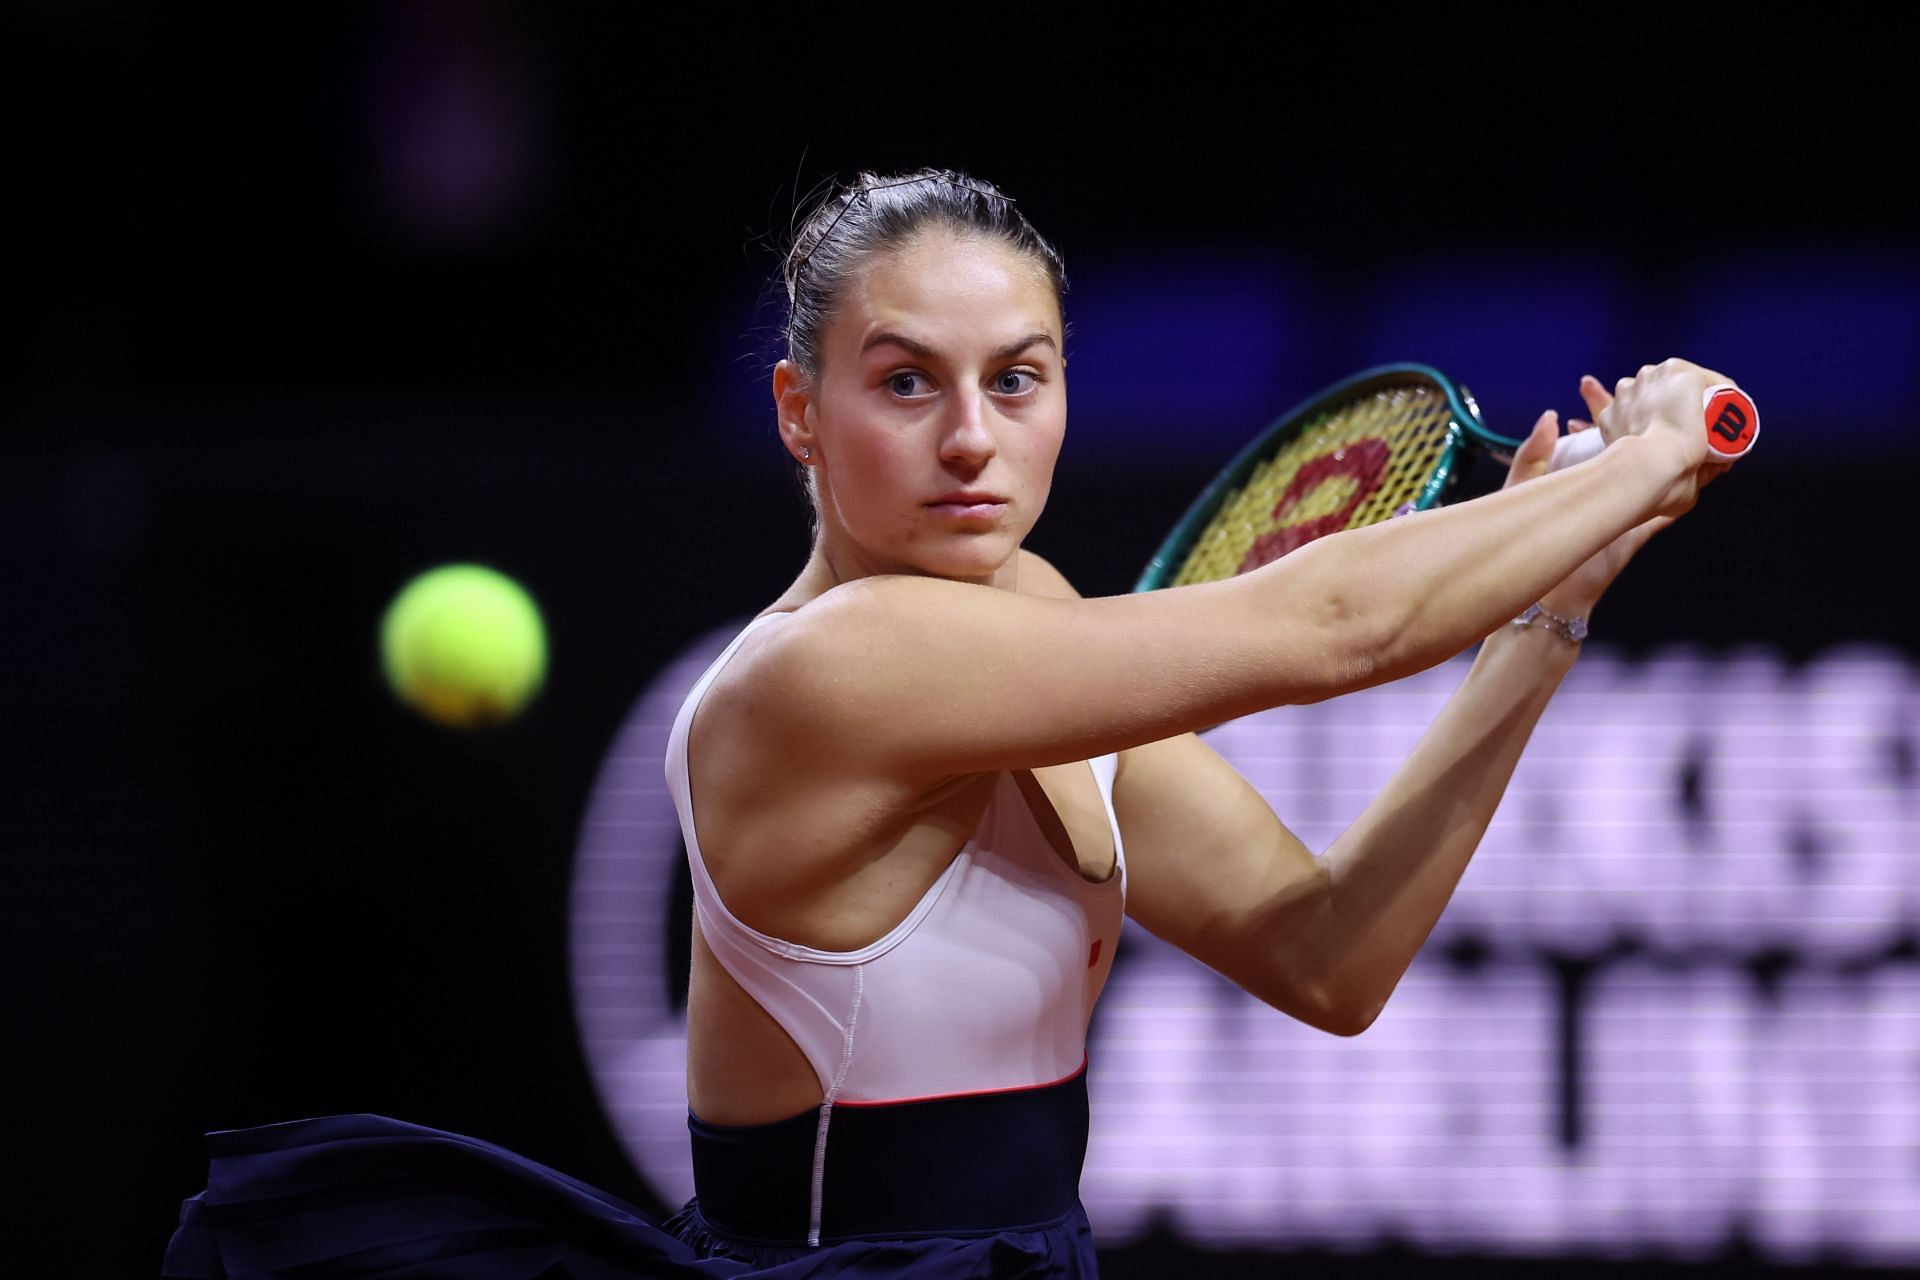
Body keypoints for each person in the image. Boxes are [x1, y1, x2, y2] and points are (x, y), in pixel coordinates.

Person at [163, 168, 1729, 1279]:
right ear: (798, 413)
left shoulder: (1040, 626)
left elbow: (1326, 956)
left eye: (1019, 379)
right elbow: (1325, 626)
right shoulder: (826, 676)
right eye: (905, 384)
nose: (973, 439)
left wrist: (1551, 611)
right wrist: (1645, 459)